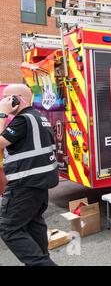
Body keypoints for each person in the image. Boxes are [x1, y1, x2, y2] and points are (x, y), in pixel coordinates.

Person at [0, 84, 59, 266]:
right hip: (38, 185)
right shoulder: (38, 117)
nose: (2, 102)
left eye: (5, 98)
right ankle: (43, 260)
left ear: (16, 98)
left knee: (8, 227)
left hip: (24, 184)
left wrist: (2, 114)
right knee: (33, 224)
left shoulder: (22, 120)